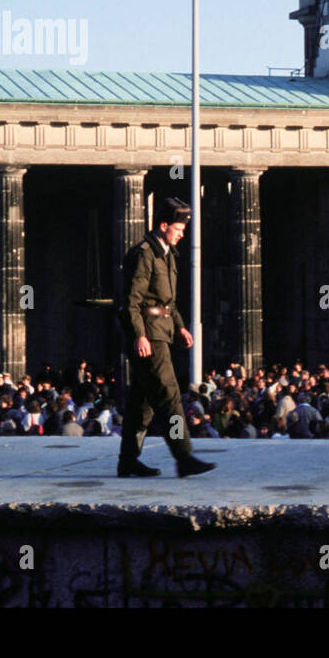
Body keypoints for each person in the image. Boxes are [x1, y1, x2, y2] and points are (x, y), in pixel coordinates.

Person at [117, 196, 215, 479]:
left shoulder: (167, 254)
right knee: (170, 395)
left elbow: (166, 302)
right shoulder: (144, 254)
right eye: (178, 229)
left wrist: (181, 325)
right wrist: (139, 335)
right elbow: (131, 302)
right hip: (149, 336)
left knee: (142, 403)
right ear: (163, 226)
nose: (182, 235)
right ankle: (183, 456)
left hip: (162, 331)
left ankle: (128, 460)